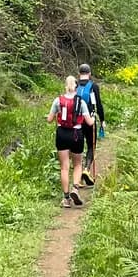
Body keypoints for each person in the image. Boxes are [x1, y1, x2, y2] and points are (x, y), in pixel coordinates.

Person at [48, 74, 94, 208]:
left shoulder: (58, 100)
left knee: (64, 167)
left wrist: (55, 114)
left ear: (65, 86)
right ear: (76, 86)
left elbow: (50, 120)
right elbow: (89, 123)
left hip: (62, 133)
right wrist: (93, 117)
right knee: (78, 164)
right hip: (76, 134)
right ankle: (75, 188)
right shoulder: (81, 101)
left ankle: (66, 198)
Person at [75, 62, 106, 187]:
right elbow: (98, 104)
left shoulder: (75, 85)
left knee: (78, 148)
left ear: (79, 73)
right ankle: (86, 169)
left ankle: (78, 175)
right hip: (90, 121)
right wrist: (102, 120)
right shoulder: (93, 86)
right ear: (89, 73)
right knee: (91, 146)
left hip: (76, 121)